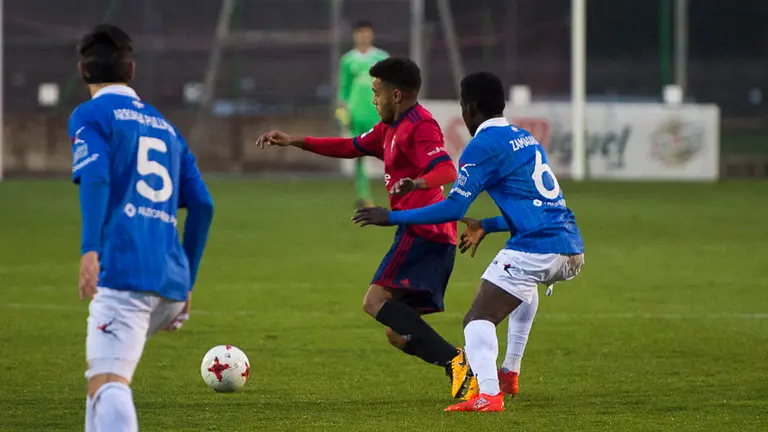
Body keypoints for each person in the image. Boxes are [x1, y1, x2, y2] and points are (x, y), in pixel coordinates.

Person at [353, 71, 585, 412]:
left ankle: (490, 395)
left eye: (463, 107)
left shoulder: (481, 146)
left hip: (536, 247)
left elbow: (454, 206)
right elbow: (538, 208)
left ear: (471, 109)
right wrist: (487, 225)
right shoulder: (525, 139)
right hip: (571, 249)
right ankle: (510, 372)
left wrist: (393, 216)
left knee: (477, 320)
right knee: (523, 286)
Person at [256, 57, 478, 400]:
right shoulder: (389, 127)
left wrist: (417, 183)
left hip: (423, 232)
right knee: (396, 331)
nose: (373, 100)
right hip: (428, 234)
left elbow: (447, 170)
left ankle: (458, 363)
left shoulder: (420, 125)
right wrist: (295, 141)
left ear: (397, 95)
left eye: (377, 93)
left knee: (374, 301)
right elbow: (349, 147)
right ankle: (461, 367)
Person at [71, 25, 214, 431]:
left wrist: (89, 249)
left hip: (124, 275)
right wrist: (187, 281)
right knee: (100, 379)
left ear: (84, 71)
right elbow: (202, 205)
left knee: (110, 385)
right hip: (169, 282)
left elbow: (96, 178)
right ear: (131, 69)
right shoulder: (166, 127)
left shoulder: (91, 115)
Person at [336, 21, 389, 209]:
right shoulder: (348, 60)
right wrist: (343, 110)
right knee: (358, 155)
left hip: (378, 114)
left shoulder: (382, 58)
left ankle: (401, 190)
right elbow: (344, 89)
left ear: (371, 35)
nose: (363, 37)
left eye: (366, 33)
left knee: (391, 153)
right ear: (354, 36)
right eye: (359, 33)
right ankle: (363, 196)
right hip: (356, 113)